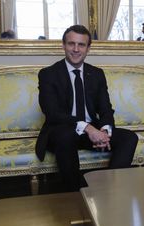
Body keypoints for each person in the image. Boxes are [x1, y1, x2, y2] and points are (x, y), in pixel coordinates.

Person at [35, 25, 138, 191]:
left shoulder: (96, 73)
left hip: (91, 132)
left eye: (81, 45)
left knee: (129, 138)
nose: (76, 49)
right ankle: (75, 193)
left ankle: (109, 189)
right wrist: (89, 128)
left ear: (88, 48)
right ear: (63, 45)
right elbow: (52, 113)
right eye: (71, 44)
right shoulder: (48, 74)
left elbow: (105, 107)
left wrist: (104, 131)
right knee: (65, 136)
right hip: (62, 131)